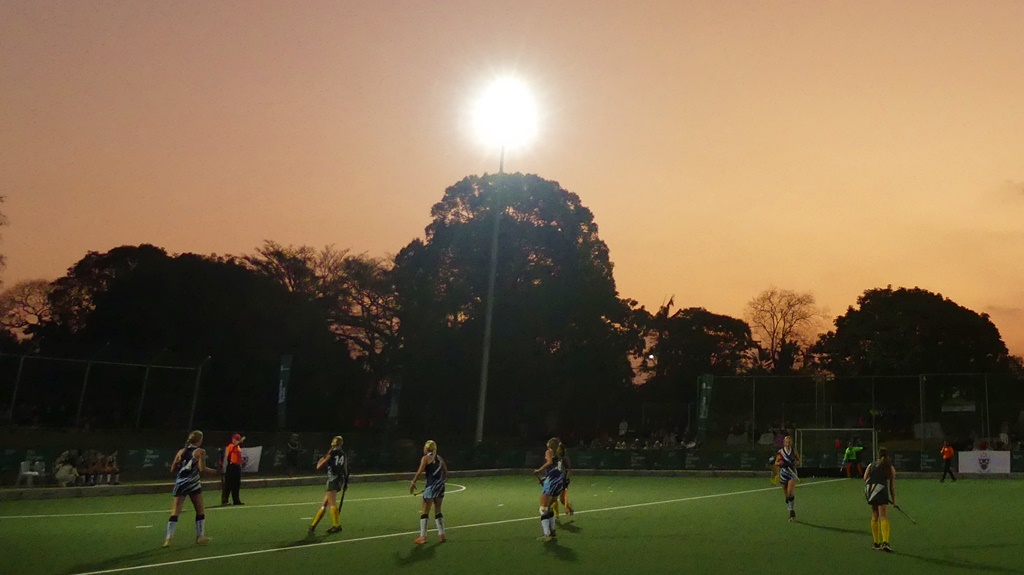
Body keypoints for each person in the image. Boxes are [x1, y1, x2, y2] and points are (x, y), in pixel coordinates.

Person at [163, 430, 217, 547]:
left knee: (175, 512)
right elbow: (202, 469)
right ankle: (200, 536)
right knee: (200, 510)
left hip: (181, 483)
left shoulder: (181, 451)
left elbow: (172, 469)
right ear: (200, 440)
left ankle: (168, 539)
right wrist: (215, 471)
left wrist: (178, 464)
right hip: (193, 483)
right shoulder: (200, 452)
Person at [409, 439, 449, 544]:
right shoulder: (439, 458)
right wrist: (440, 482)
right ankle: (442, 534)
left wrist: (413, 482)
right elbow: (446, 473)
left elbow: (419, 472)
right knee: (438, 510)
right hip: (440, 487)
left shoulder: (425, 458)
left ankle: (423, 536)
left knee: (425, 512)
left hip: (430, 488)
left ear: (427, 448)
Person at [308, 436, 348, 536]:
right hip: (340, 479)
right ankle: (313, 525)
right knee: (324, 504)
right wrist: (346, 483)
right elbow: (345, 469)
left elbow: (319, 466)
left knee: (332, 503)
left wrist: (321, 459)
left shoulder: (331, 453)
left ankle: (337, 525)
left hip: (332, 479)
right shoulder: (343, 454)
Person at [864, 447, 897, 552]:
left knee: (874, 516)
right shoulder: (889, 467)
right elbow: (892, 486)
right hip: (882, 491)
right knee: (883, 517)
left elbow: (865, 477)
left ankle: (876, 543)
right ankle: (885, 542)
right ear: (887, 456)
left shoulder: (871, 465)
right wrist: (894, 501)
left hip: (871, 491)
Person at [533, 437, 566, 541]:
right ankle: (552, 530)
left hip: (551, 482)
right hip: (558, 482)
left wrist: (539, 470)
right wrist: (545, 478)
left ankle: (547, 534)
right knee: (550, 507)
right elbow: (557, 470)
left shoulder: (549, 452)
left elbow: (549, 463)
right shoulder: (560, 455)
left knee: (543, 508)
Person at [772, 435, 801, 521]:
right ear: (784, 443)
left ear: (791, 443)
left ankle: (791, 512)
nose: (788, 444)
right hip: (783, 473)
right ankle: (789, 503)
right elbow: (776, 463)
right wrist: (780, 463)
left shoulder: (794, 451)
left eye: (789, 442)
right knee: (787, 496)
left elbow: (799, 461)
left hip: (792, 473)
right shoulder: (780, 452)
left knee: (790, 493)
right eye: (786, 442)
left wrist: (795, 463)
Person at [221, 433, 244, 506]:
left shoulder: (238, 448)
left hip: (237, 467)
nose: (236, 440)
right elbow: (233, 447)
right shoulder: (230, 446)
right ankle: (225, 500)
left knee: (236, 484)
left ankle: (236, 500)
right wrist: (239, 442)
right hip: (231, 466)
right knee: (228, 484)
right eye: (235, 439)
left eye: (237, 439)